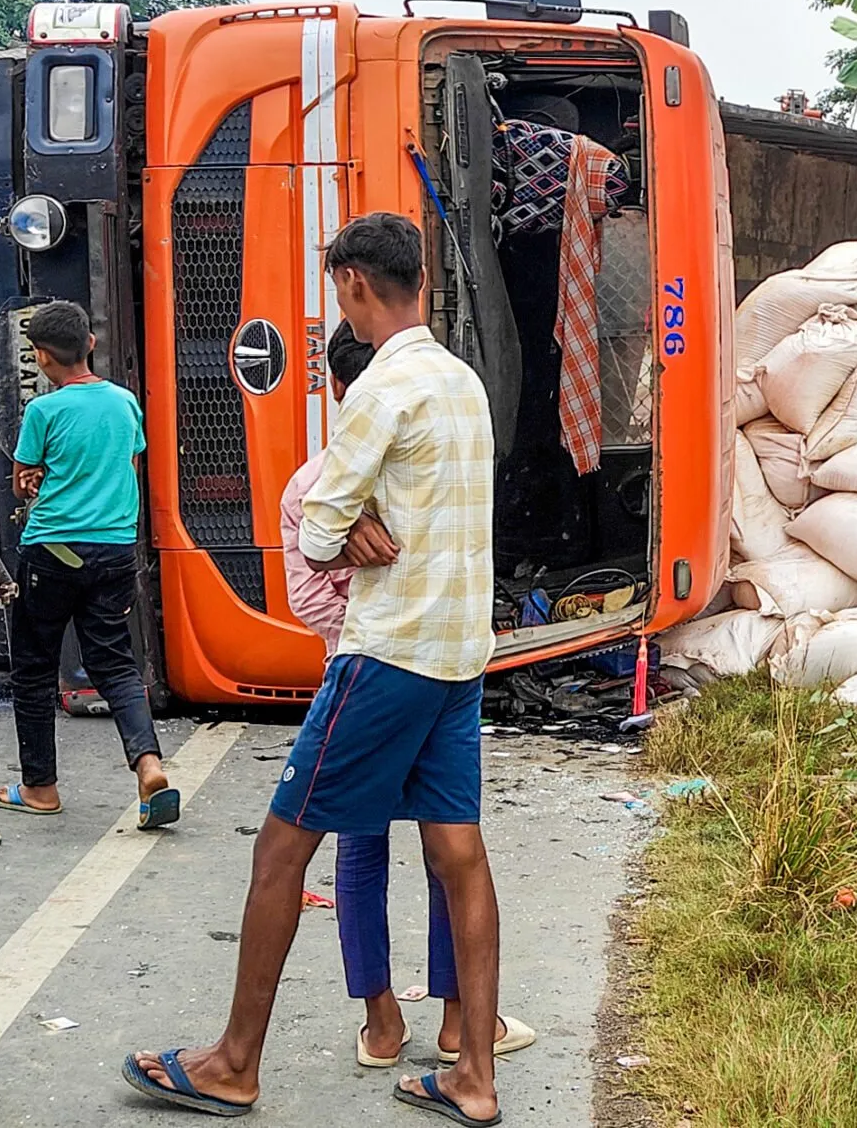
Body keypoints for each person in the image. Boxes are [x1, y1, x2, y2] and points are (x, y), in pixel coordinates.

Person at [125, 211, 506, 1126]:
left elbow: (321, 519)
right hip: (459, 657)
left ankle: (232, 1063)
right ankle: (474, 1077)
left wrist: (351, 533)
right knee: (458, 854)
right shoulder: (461, 383)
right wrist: (366, 526)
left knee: (281, 849)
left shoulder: (380, 386)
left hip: (384, 657)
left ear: (353, 287)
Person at [284, 322, 535, 1075]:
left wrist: (369, 603)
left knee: (416, 851)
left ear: (339, 393)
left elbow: (310, 584)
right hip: (396, 665)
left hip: (384, 666)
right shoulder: (357, 475)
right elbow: (321, 585)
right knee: (414, 850)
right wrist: (371, 606)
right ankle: (406, 1019)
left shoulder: (330, 480)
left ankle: (431, 1022)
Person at [0, 300, 175, 827]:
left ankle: (39, 787)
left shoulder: (43, 411)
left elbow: (25, 474)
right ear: (90, 344)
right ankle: (148, 764)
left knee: (33, 669)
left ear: (42, 357)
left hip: (53, 551)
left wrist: (37, 477)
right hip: (115, 551)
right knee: (115, 663)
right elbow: (131, 463)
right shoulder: (124, 402)